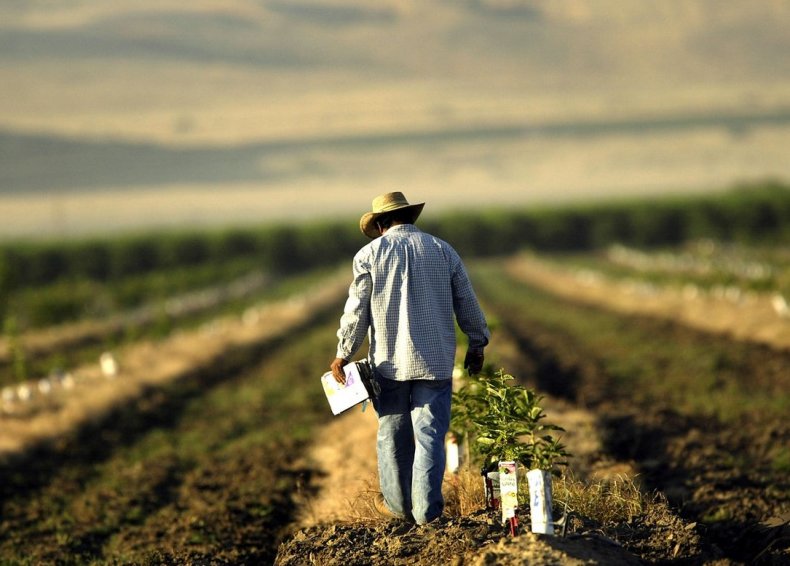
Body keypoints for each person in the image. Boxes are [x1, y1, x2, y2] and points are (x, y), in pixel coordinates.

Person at [330, 191, 490, 526]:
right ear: (408, 218)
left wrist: (343, 353)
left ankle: (400, 511)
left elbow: (357, 310)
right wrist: (477, 343)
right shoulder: (442, 250)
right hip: (435, 361)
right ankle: (427, 515)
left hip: (388, 363)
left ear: (381, 223)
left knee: (391, 435)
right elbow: (466, 301)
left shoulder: (368, 255)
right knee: (430, 435)